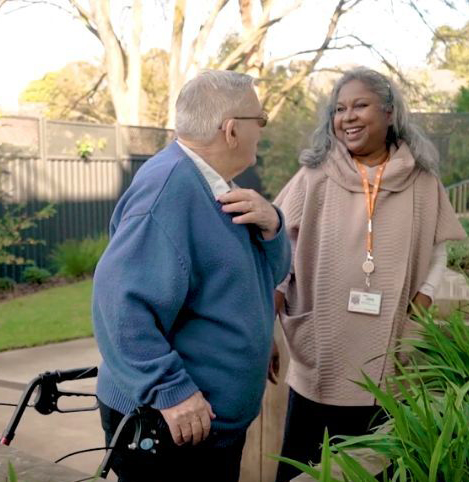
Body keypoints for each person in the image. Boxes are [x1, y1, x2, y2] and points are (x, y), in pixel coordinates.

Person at [92, 69, 291, 482]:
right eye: (262, 121)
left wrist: (272, 226)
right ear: (232, 130)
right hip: (172, 427)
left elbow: (264, 275)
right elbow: (118, 305)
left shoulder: (216, 187)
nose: (263, 133)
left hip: (206, 429)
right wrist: (170, 390)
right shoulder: (170, 190)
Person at [271, 67, 466, 481]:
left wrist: (423, 300)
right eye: (340, 109)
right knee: (305, 466)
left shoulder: (422, 180)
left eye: (360, 105)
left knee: (371, 467)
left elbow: (439, 251)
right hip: (321, 353)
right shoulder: (315, 175)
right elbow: (277, 253)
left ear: (390, 112)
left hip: (390, 353)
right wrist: (264, 326)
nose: (348, 117)